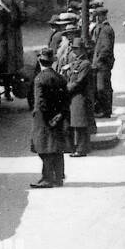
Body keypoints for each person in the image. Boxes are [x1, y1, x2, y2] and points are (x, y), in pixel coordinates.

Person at [29, 47, 69, 189]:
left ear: (40, 62)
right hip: (57, 118)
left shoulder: (40, 79)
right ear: (52, 62)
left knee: (44, 148)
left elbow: (40, 102)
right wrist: (58, 116)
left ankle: (47, 178)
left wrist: (46, 119)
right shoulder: (60, 78)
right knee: (56, 148)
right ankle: (58, 178)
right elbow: (66, 101)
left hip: (43, 120)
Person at [65, 38, 95, 158]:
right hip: (75, 96)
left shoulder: (85, 64)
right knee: (76, 122)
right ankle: (79, 147)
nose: (73, 51)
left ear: (82, 49)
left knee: (80, 123)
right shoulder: (77, 62)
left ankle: (82, 149)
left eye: (75, 48)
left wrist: (65, 89)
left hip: (80, 96)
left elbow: (78, 82)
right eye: (73, 48)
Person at [89, 4, 115, 118]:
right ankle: (104, 109)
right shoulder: (101, 28)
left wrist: (98, 61)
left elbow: (106, 48)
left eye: (96, 16)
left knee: (102, 88)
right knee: (102, 87)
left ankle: (106, 110)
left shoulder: (105, 30)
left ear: (100, 17)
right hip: (101, 63)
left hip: (102, 64)